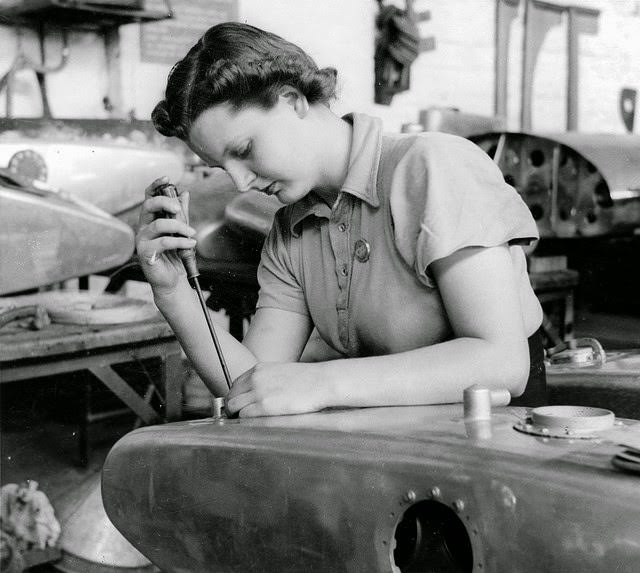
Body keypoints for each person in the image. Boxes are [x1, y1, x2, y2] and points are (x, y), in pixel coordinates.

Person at [137, 22, 546, 418]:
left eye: (243, 149)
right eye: (222, 166)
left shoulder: (433, 166)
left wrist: (320, 383)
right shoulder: (290, 230)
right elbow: (252, 387)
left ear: (293, 100)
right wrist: (175, 295)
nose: (241, 183)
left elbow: (503, 362)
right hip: (389, 444)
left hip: (494, 438)